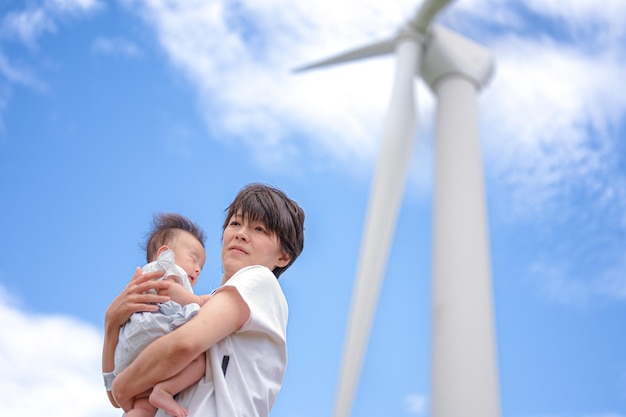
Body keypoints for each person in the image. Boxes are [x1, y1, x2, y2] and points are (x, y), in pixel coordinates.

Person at [102, 183, 305, 417]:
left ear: (283, 256)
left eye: (259, 229)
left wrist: (122, 386)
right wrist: (112, 325)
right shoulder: (197, 310)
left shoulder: (259, 278)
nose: (241, 233)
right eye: (236, 223)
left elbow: (183, 345)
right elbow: (123, 396)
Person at [103, 213, 212, 417]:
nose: (197, 270)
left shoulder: (139, 289)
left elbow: (114, 399)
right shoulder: (167, 270)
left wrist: (111, 325)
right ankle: (164, 390)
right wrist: (199, 301)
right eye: (193, 259)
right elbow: (167, 289)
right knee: (201, 360)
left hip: (130, 357)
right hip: (155, 337)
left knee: (143, 407)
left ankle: (149, 401)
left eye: (201, 268)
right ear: (165, 254)